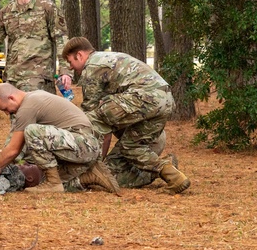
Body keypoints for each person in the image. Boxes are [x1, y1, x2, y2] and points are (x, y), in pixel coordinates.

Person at [62, 37, 191, 194]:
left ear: (80, 55)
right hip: (165, 100)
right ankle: (172, 174)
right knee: (131, 147)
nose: (71, 67)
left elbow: (90, 116)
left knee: (91, 117)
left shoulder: (92, 66)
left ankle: (90, 165)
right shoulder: (109, 57)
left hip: (144, 97)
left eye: (70, 62)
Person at [0, 83, 120, 194]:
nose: (7, 113)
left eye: (5, 109)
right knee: (43, 180)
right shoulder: (33, 97)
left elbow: (14, 149)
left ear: (11, 98)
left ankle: (53, 183)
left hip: (84, 144)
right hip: (81, 145)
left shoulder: (27, 107)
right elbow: (15, 145)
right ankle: (89, 176)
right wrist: (0, 166)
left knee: (32, 132)